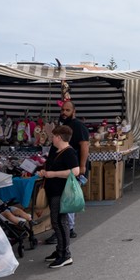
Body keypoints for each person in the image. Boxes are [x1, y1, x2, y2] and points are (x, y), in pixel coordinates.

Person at [45, 100, 89, 243]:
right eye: (63, 109)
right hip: (64, 168)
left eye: (67, 110)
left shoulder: (78, 126)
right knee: (65, 200)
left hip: (72, 168)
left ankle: (67, 230)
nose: (64, 112)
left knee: (68, 199)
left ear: (74, 112)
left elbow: (84, 146)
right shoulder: (64, 125)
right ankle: (66, 230)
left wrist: (82, 167)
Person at [37, 125, 80, 269]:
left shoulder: (69, 152)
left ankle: (65, 254)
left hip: (61, 192)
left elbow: (76, 171)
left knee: (60, 222)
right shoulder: (56, 151)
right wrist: (44, 172)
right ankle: (60, 251)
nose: (52, 139)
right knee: (57, 221)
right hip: (53, 190)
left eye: (53, 136)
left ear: (59, 137)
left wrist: (53, 174)